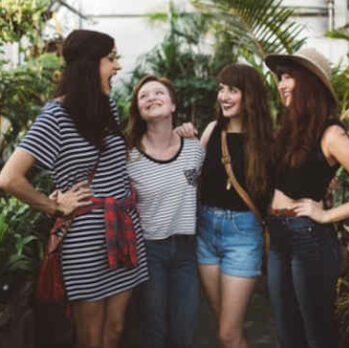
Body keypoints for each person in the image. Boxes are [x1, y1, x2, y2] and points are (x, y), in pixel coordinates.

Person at [0, 30, 149, 348]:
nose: (117, 66)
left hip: (123, 228)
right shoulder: (55, 115)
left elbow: (116, 161)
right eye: (111, 59)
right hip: (86, 237)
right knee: (90, 338)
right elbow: (9, 177)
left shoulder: (107, 107)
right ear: (88, 65)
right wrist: (53, 205)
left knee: (116, 330)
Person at [264, 47, 349, 348]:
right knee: (287, 335)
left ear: (309, 82)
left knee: (316, 336)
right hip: (279, 237)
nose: (281, 84)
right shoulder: (290, 130)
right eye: (280, 78)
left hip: (308, 240)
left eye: (288, 77)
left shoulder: (331, 134)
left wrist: (325, 215)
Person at [195, 63, 274, 348]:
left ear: (250, 95)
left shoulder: (267, 141)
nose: (224, 97)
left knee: (227, 333)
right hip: (205, 233)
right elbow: (190, 177)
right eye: (221, 89)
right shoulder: (213, 130)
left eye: (233, 90)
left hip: (243, 236)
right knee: (226, 329)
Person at [126, 74, 205, 348]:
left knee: (184, 331)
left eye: (158, 92)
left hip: (187, 250)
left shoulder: (194, 148)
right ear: (138, 110)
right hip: (149, 251)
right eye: (143, 96)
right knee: (153, 330)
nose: (151, 98)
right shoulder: (129, 156)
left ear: (172, 105)